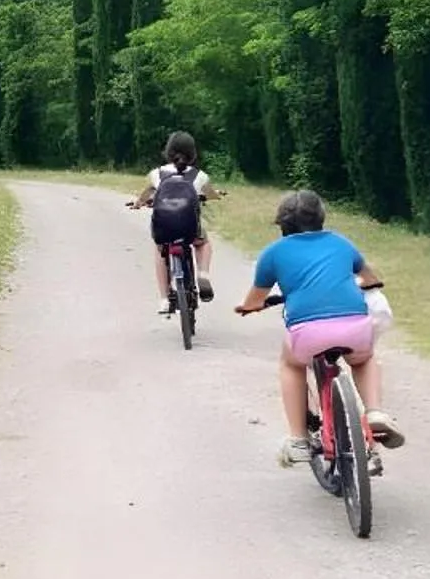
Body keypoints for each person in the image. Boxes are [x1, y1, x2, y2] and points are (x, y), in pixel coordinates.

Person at [235, 189, 406, 466]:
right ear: (321, 218)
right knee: (364, 359)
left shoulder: (273, 253)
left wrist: (249, 307)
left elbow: (254, 300)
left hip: (308, 331)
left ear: (282, 224)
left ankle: (298, 440)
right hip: (354, 324)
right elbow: (371, 279)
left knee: (291, 364)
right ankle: (374, 412)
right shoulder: (341, 243)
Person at [130, 132, 223, 317]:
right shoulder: (199, 175)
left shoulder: (157, 174)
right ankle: (203, 274)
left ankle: (164, 298)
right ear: (193, 153)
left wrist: (138, 203)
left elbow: (146, 194)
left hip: (164, 228)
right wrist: (216, 194)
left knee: (159, 250)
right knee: (202, 243)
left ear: (168, 151)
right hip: (189, 228)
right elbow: (211, 195)